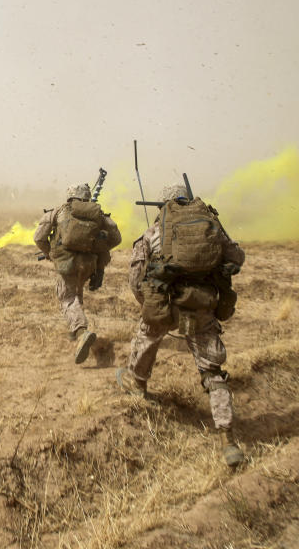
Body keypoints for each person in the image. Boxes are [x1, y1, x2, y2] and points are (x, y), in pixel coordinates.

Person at [117, 183, 247, 467]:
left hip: (166, 304)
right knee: (213, 373)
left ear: (163, 206)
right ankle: (227, 439)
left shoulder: (154, 232)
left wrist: (150, 304)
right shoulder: (211, 227)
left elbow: (135, 280)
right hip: (202, 306)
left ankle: (137, 385)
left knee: (147, 336)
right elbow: (237, 257)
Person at [34, 183, 121, 365]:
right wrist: (97, 248)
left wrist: (50, 253)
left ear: (70, 196)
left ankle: (81, 331)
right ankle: (74, 331)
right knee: (76, 293)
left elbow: (39, 237)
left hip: (67, 263)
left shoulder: (58, 212)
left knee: (66, 298)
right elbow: (116, 238)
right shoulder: (98, 215)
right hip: (90, 264)